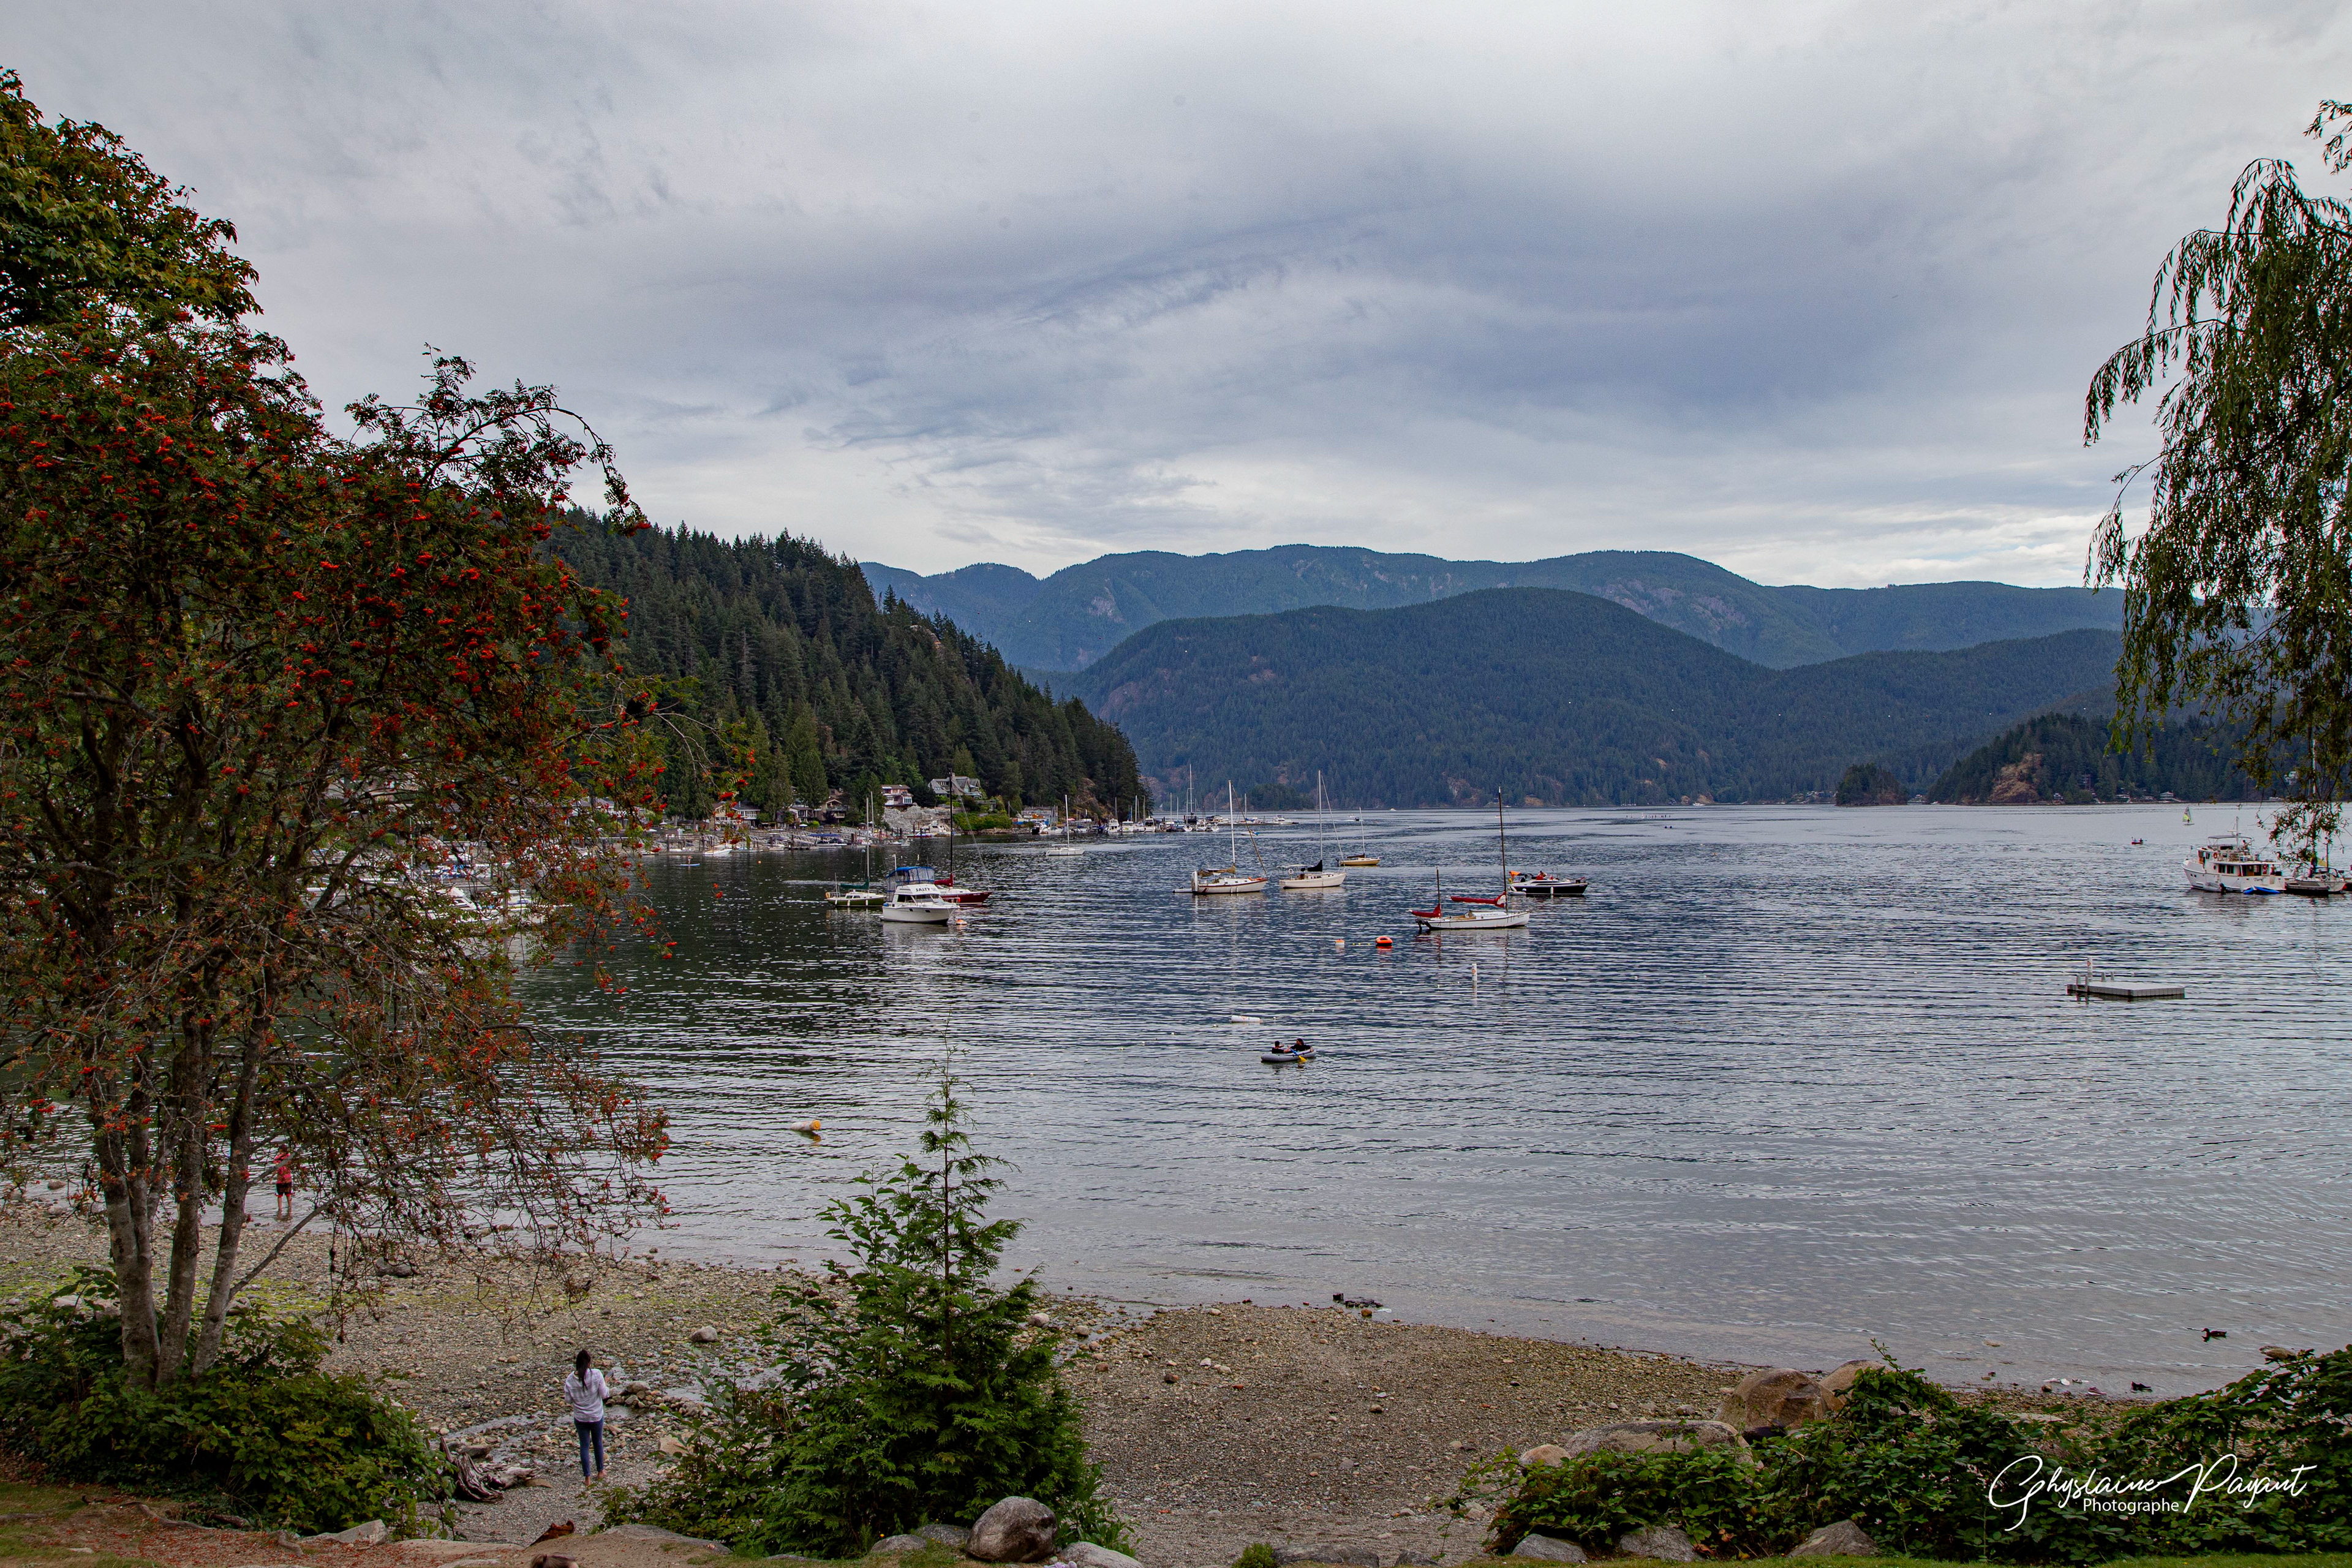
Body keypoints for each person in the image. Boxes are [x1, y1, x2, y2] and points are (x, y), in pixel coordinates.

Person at [565, 1349, 608, 1482]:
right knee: (597, 1443)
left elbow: (568, 1400)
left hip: (580, 1418)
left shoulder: (570, 1380)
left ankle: (587, 1478)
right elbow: (605, 1394)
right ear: (589, 1363)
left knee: (584, 1445)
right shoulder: (596, 1374)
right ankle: (600, 1471)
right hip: (596, 1416)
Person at [273, 1147, 294, 1222]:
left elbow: (276, 1168)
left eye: (281, 1152)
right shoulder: (288, 1158)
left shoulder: (279, 1159)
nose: (280, 1153)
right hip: (284, 1179)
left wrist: (271, 1177)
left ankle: (285, 1211)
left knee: (286, 1195)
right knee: (281, 1196)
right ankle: (283, 1210)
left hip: (284, 1180)